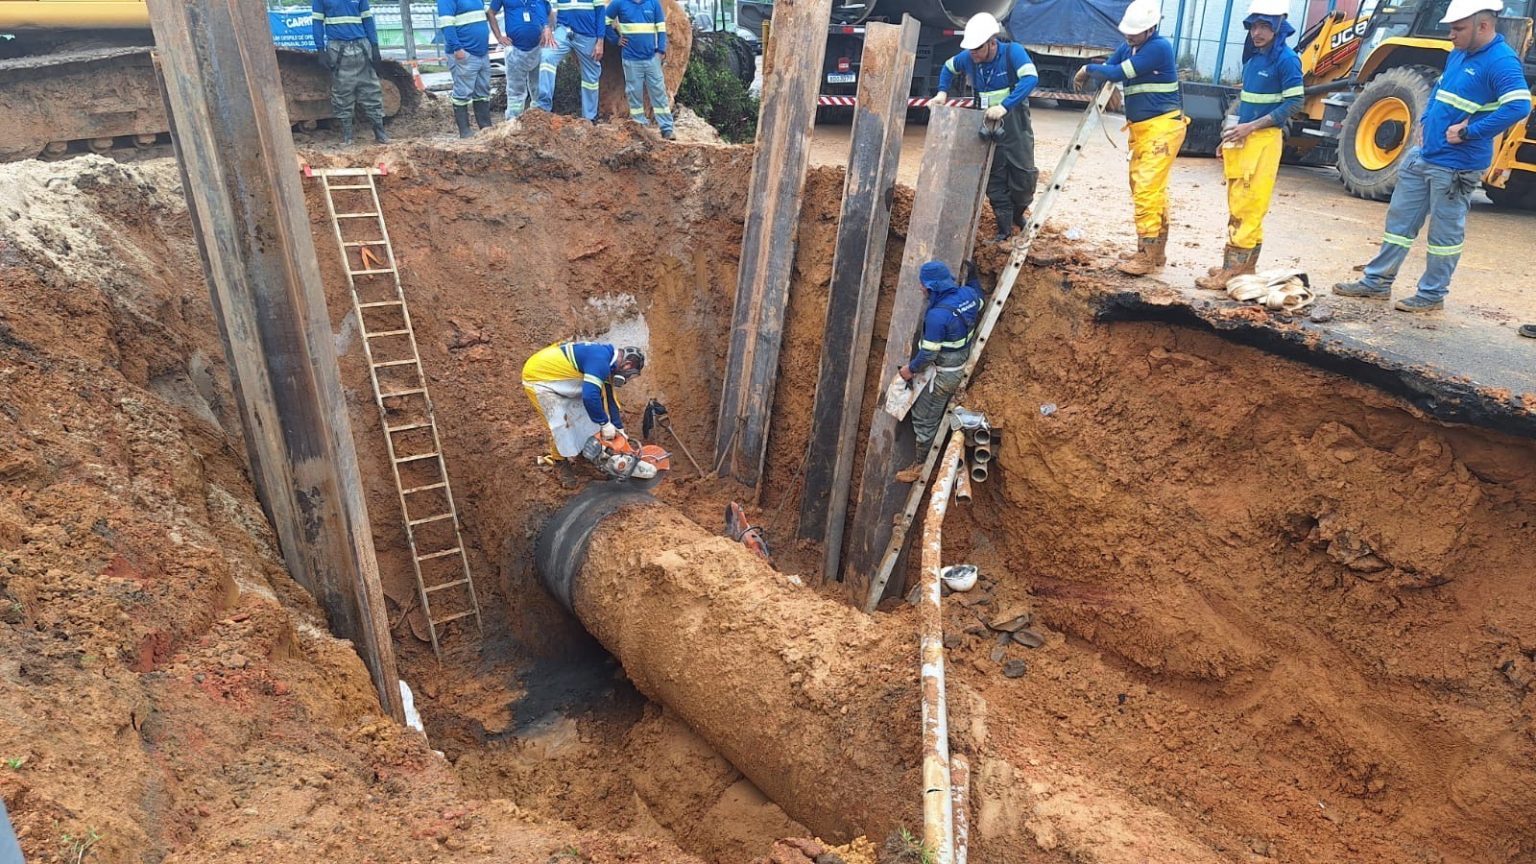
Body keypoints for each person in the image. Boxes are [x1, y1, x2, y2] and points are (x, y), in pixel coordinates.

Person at [1334, 0, 1531, 312]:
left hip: (1457, 166)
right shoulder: (1459, 53)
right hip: (1424, 156)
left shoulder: (1501, 62)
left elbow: (1519, 106)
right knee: (1399, 223)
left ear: (1483, 25)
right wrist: (1425, 121)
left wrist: (1470, 132)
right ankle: (1377, 282)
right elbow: (1440, 90)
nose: (1451, 34)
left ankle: (1431, 295)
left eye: (1458, 28)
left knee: (1444, 235)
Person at [1194, 0, 1303, 291]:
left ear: (1279, 26)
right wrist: (1228, 138)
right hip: (1245, 138)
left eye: (1265, 26)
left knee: (1248, 205)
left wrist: (1252, 127)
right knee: (1240, 200)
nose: (1257, 32)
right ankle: (1243, 266)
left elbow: (1295, 102)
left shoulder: (1286, 60)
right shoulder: (1255, 58)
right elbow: (1247, 104)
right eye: (1254, 26)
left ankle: (1232, 270)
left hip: (1263, 141)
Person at [1075, 0, 1186, 275]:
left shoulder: (1158, 48)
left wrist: (1088, 69)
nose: (1129, 36)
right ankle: (1154, 251)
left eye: (1135, 32)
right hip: (1143, 130)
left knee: (1147, 189)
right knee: (1147, 189)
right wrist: (1101, 77)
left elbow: (1115, 72)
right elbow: (1110, 67)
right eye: (1128, 31)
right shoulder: (1129, 46)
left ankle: (1146, 256)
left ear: (1151, 29)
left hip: (1162, 128)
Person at [932, 13, 1039, 243]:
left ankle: (1017, 214)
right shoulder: (970, 57)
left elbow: (1030, 79)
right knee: (994, 178)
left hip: (1013, 121)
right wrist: (942, 91)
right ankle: (1004, 229)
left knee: (1023, 176)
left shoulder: (1012, 52)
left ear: (992, 42)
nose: (973, 53)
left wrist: (1005, 106)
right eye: (970, 49)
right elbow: (948, 67)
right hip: (985, 122)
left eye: (977, 48)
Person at [896, 261, 983, 482]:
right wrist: (974, 277)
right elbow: (980, 297)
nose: (920, 288)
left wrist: (910, 370)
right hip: (959, 362)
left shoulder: (937, 316)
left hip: (944, 375)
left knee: (924, 418)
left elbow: (928, 355)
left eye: (923, 284)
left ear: (932, 287)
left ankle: (921, 465)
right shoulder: (969, 295)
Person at [521, 341, 645, 464]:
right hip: (539, 377)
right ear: (627, 365)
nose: (627, 379)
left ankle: (584, 450)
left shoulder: (607, 361)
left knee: (588, 414)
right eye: (630, 374)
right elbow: (589, 397)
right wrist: (605, 423)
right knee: (559, 424)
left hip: (561, 376)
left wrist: (618, 427)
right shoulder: (600, 361)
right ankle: (559, 461)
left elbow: (609, 397)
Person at [312, 0, 389, 145]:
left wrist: (374, 46)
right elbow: (317, 23)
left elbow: (367, 19)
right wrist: (320, 49)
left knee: (372, 92)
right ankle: (347, 136)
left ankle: (380, 133)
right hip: (338, 49)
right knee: (342, 94)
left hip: (362, 47)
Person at [605, 0, 674, 139]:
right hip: (630, 59)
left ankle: (666, 128)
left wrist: (660, 51)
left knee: (658, 92)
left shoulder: (653, 3)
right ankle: (640, 126)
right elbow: (604, 21)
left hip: (651, 58)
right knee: (634, 93)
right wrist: (615, 39)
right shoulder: (619, 3)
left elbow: (661, 28)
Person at [539, 0, 607, 122]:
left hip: (587, 35)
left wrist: (600, 41)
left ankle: (589, 117)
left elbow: (601, 12)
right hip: (563, 32)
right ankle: (543, 108)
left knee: (591, 76)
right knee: (546, 57)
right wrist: (546, 26)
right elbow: (541, 2)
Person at [489, 0, 555, 122]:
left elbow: (550, 12)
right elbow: (491, 12)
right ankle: (513, 121)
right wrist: (499, 37)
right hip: (515, 50)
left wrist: (548, 30)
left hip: (538, 48)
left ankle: (538, 120)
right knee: (515, 91)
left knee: (538, 88)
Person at [439, 0, 494, 137]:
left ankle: (485, 128)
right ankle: (465, 131)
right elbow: (446, 24)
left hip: (482, 52)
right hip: (464, 53)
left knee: (482, 91)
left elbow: (488, 13)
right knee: (462, 92)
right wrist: (457, 48)